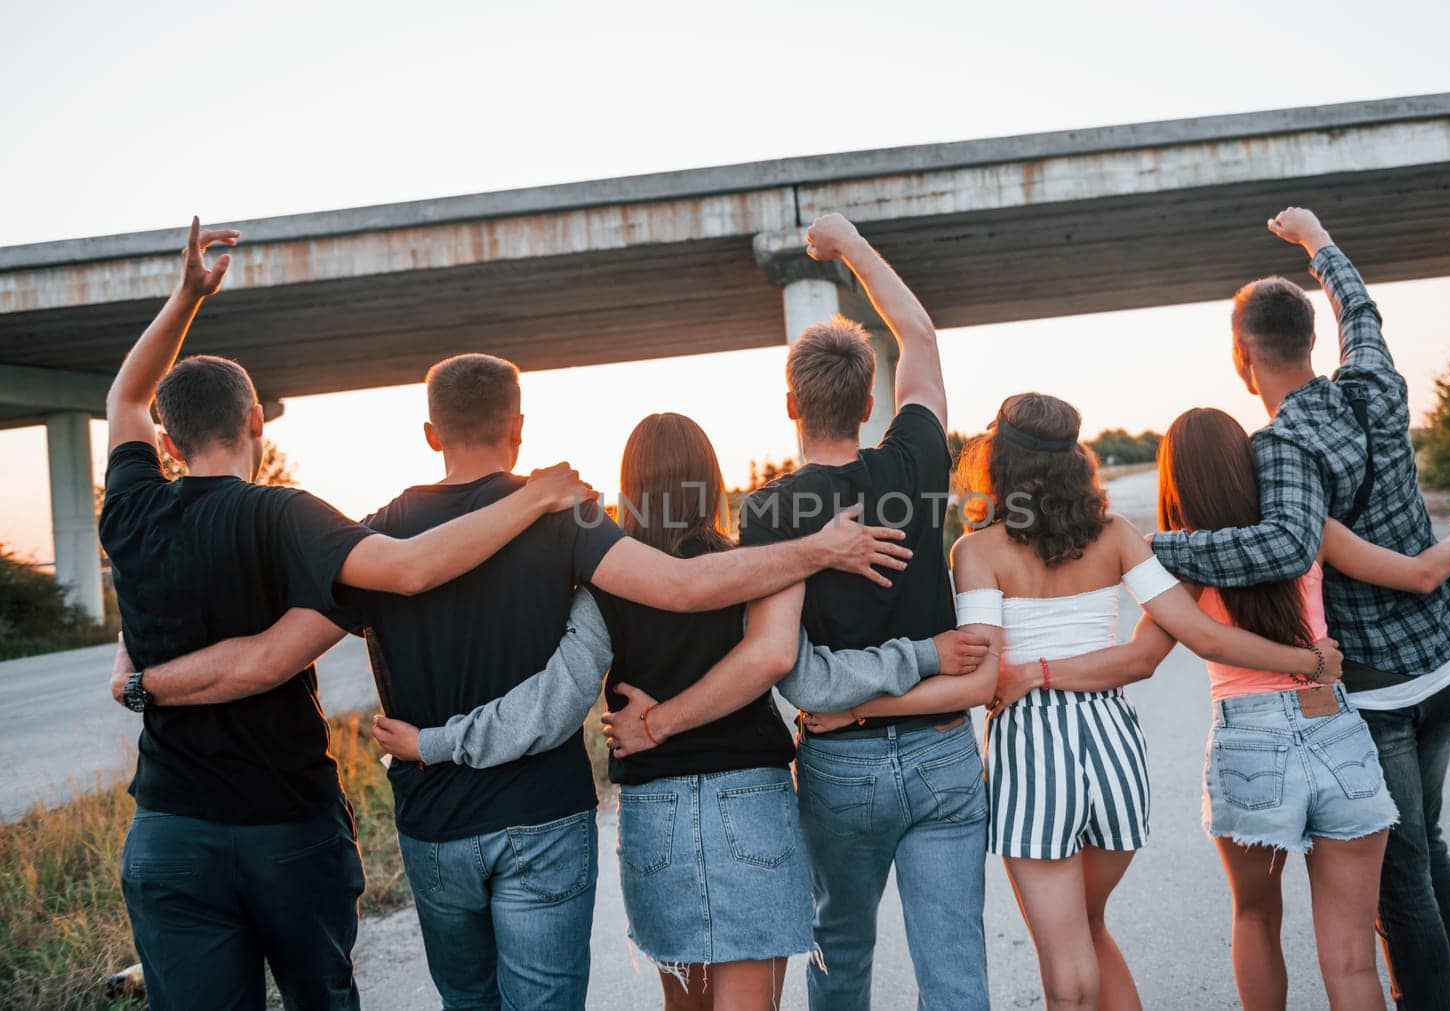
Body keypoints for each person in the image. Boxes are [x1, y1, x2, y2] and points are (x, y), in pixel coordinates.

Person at [113, 350, 912, 1011]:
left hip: (433, 820)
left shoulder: (378, 531)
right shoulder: (563, 518)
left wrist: (145, 673)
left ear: (431, 433)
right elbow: (682, 586)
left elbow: (276, 652)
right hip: (544, 816)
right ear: (519, 425)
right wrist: (816, 550)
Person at [100, 220, 598, 1010]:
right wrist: (536, 493)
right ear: (257, 419)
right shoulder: (284, 514)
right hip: (284, 825)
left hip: (168, 827)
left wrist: (187, 295)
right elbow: (405, 569)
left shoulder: (128, 507)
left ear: (165, 440)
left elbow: (124, 392)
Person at [369, 411, 989, 1010]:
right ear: (712, 479)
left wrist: (437, 742)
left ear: (631, 488)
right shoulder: (755, 567)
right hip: (752, 801)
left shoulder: (605, 591)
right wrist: (923, 655)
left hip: (654, 812)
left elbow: (553, 702)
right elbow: (808, 674)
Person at [805, 392, 1345, 1011]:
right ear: (1076, 461)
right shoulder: (1116, 536)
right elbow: (1190, 639)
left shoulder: (978, 552)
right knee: (1090, 929)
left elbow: (984, 682)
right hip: (1114, 744)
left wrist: (856, 710)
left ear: (997, 464)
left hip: (1035, 753)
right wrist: (1309, 661)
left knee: (1066, 969)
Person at [603, 212, 988, 1010]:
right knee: (954, 969)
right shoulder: (916, 457)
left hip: (840, 761)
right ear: (871, 394)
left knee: (837, 954)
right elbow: (917, 332)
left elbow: (777, 655)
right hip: (945, 751)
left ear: (791, 405)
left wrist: (660, 722)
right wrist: (848, 246)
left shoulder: (774, 509)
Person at [996, 407, 1450, 1010]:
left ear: (1174, 483)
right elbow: (1422, 574)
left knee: (1256, 916)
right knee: (1353, 958)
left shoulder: (1187, 561)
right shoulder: (1311, 531)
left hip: (1250, 743)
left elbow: (1138, 659)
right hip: (1333, 728)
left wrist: (1036, 674)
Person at [1150, 208, 1450, 1010]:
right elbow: (1362, 313)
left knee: (1400, 880)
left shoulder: (1280, 448)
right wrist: (1317, 240)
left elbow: (1282, 547)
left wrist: (1155, 553)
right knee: (1425, 839)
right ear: (1311, 334)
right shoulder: (1374, 381)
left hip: (1382, 688)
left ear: (1242, 355)